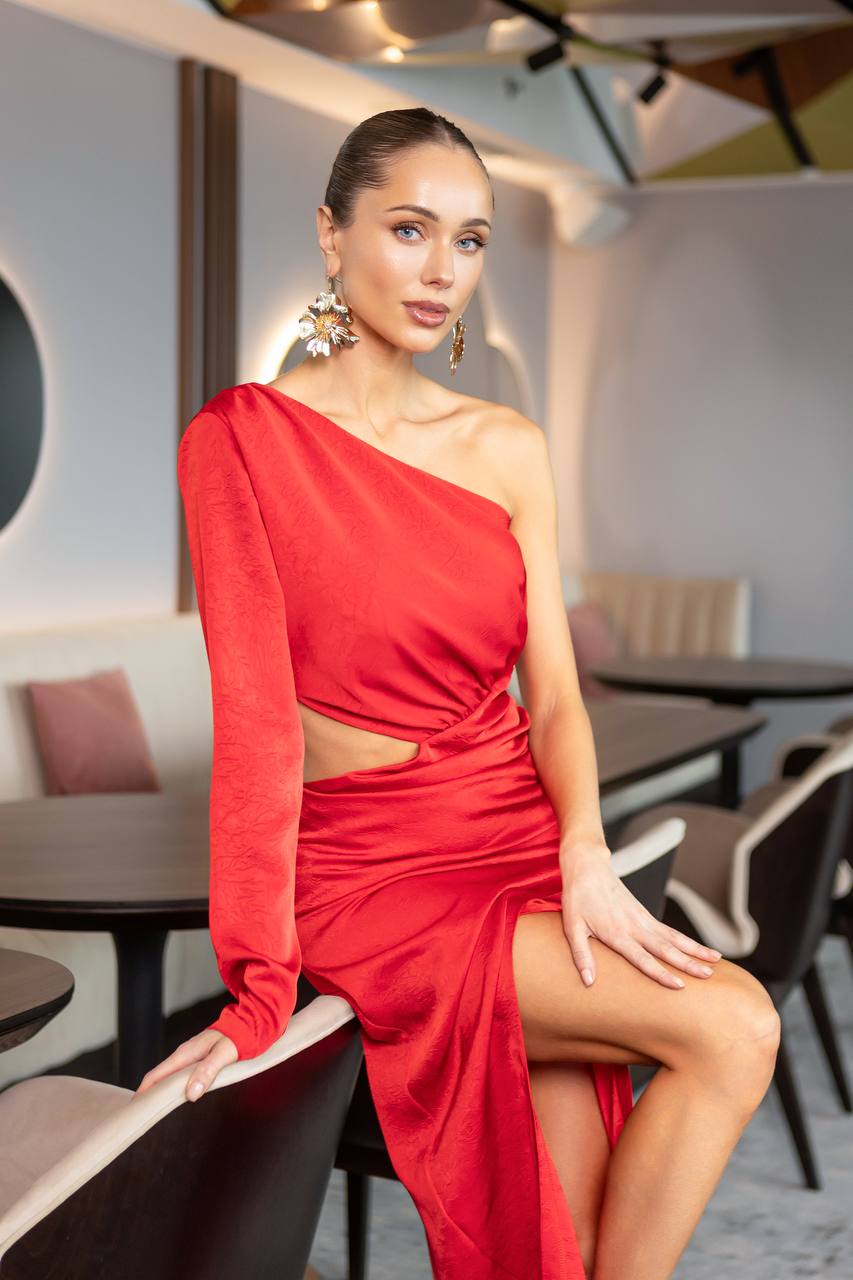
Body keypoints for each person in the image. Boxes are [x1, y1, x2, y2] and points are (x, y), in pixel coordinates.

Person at [136, 107, 781, 1279]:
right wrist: (255, 988)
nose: (443, 270)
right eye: (410, 228)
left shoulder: (509, 445)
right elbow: (259, 732)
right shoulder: (240, 440)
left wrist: (584, 849)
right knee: (735, 1022)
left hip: (517, 840)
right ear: (331, 238)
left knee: (565, 1242)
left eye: (471, 240)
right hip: (373, 881)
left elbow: (555, 699)